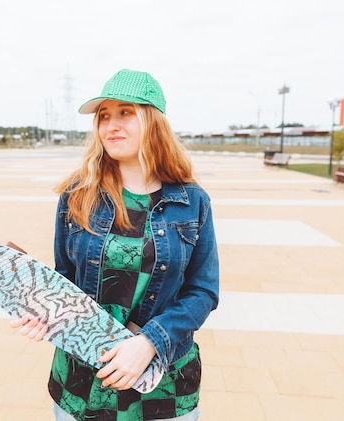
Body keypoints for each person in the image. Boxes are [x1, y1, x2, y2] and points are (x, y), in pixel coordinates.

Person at [11, 69, 219, 421]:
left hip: (163, 387)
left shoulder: (192, 201)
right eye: (104, 116)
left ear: (153, 121)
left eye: (125, 112)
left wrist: (150, 342)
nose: (111, 125)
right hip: (83, 384)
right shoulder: (77, 195)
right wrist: (45, 311)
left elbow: (203, 291)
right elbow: (66, 279)